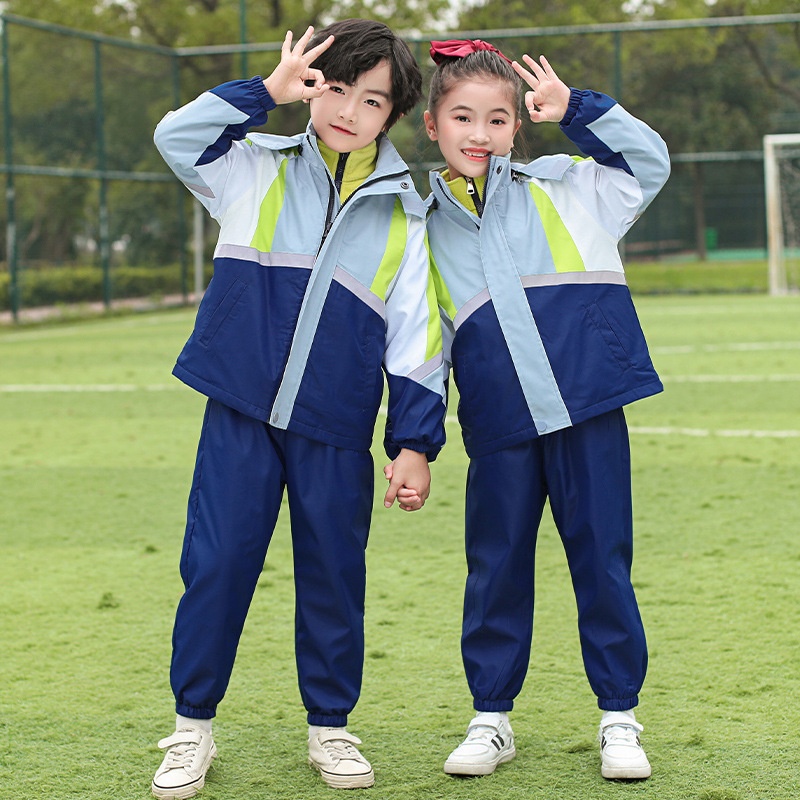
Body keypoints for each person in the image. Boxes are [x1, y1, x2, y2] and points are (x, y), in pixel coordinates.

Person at [150, 20, 446, 798]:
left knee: (333, 576)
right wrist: (262, 94)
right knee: (215, 566)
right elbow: (176, 138)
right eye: (337, 88)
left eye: (372, 99)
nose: (349, 109)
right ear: (315, 87)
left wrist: (413, 440)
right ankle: (191, 729)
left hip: (337, 428)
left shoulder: (406, 215)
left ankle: (331, 729)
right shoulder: (252, 169)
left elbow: (418, 339)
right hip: (240, 413)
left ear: (394, 114)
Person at [423, 39, 670, 781]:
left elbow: (649, 161)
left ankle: (619, 719)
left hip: (589, 411)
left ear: (517, 127)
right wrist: (414, 439)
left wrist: (580, 111)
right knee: (494, 568)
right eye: (462, 116)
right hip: (498, 426)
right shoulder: (420, 224)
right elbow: (421, 345)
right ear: (432, 124)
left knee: (603, 562)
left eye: (497, 119)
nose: (479, 132)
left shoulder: (570, 185)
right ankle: (491, 719)